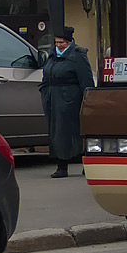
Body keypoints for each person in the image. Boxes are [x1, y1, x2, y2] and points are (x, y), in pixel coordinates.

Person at [39, 26, 94, 178]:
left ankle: (70, 165)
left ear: (69, 42)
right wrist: (44, 92)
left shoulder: (78, 56)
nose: (59, 45)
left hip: (70, 99)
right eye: (57, 42)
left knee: (71, 132)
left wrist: (88, 100)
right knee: (56, 132)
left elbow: (86, 80)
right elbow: (47, 75)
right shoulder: (52, 55)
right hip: (52, 98)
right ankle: (62, 164)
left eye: (62, 42)